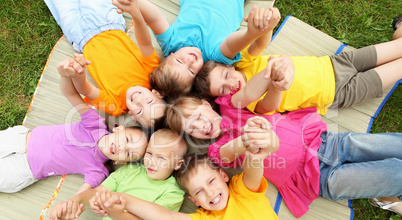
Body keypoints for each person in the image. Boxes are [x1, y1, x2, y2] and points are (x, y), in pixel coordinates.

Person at [165, 95, 402, 217]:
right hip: (319, 178)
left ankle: (385, 194)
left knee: (389, 146)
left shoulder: (233, 106)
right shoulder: (216, 150)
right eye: (191, 129)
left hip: (329, 144)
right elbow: (229, 152)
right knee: (396, 173)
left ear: (207, 103)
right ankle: (386, 196)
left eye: (197, 116)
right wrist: (246, 139)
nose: (200, 126)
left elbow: (254, 89)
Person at [93, 148, 303, 220]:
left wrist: (254, 155)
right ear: (194, 201)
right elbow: (166, 217)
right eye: (199, 192)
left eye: (211, 182)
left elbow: (253, 172)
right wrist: (125, 199)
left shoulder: (244, 193)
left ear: (223, 175)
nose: (210, 193)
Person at [0, 57, 148, 195]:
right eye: (127, 140)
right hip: (19, 139)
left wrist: (73, 204)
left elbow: (81, 195)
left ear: (120, 162)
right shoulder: (94, 124)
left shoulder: (98, 170)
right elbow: (71, 94)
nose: (123, 147)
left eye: (129, 154)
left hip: (23, 169)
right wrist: (65, 75)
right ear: (118, 128)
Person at [47, 128, 188, 220]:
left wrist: (117, 214)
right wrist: (75, 200)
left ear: (177, 164)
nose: (152, 162)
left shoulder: (173, 193)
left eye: (161, 158)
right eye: (149, 153)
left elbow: (143, 219)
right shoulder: (129, 171)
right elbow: (97, 193)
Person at [194, 28, 402, 116]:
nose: (229, 85)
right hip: (340, 93)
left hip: (335, 63)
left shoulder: (245, 63)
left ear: (230, 66)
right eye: (222, 90)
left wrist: (266, 25)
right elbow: (270, 107)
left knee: (398, 46)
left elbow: (261, 41)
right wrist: (275, 81)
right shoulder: (248, 103)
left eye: (226, 76)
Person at [113, 0, 281, 99]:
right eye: (192, 71)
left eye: (179, 61)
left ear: (170, 55)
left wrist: (136, 3)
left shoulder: (170, 44)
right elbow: (231, 45)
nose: (190, 60)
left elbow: (154, 18)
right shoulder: (213, 60)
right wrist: (251, 33)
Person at [44, 0, 165, 129]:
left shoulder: (114, 106)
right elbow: (145, 43)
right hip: (106, 20)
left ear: (133, 116)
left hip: (79, 35)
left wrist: (79, 73)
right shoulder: (152, 73)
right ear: (156, 93)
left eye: (140, 111)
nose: (139, 100)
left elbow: (86, 90)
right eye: (149, 101)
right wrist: (136, 15)